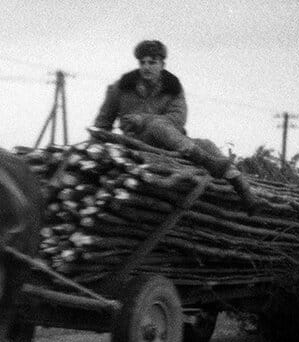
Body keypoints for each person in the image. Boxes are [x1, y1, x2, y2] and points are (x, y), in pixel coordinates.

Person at [93, 39, 259, 213]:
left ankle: (245, 191)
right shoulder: (122, 87)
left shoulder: (172, 87)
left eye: (152, 62)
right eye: (142, 62)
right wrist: (99, 148)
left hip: (170, 143)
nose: (146, 67)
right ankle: (209, 162)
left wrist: (143, 119)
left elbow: (178, 119)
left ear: (162, 64)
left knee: (206, 144)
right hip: (136, 142)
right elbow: (103, 123)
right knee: (157, 125)